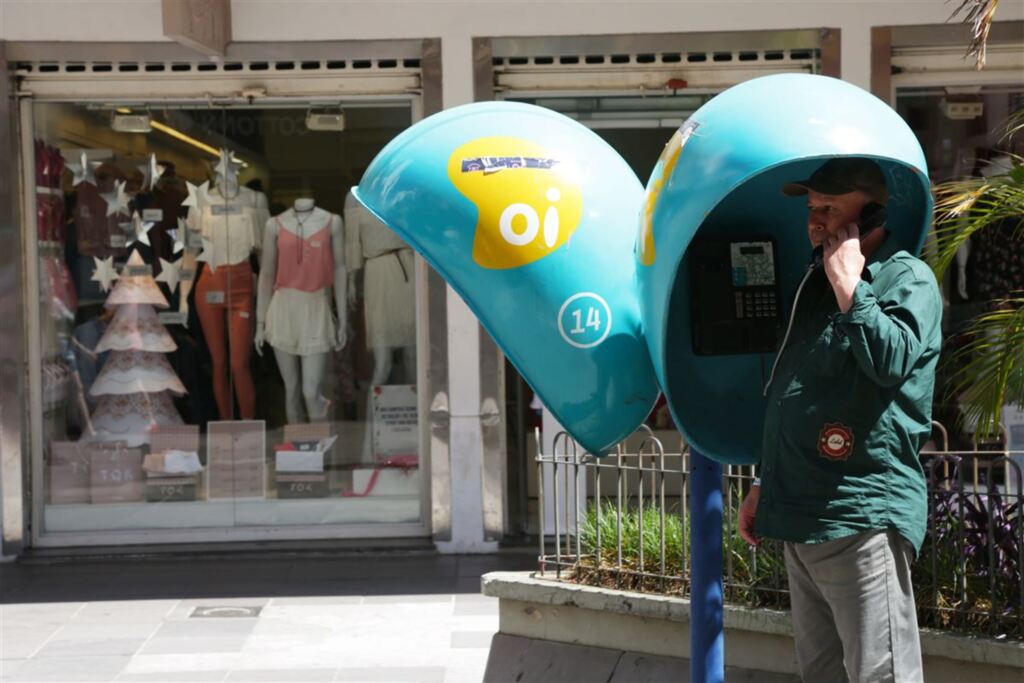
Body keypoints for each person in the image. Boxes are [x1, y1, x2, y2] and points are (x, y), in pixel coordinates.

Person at [738, 158, 942, 682]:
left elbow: (892, 360)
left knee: (882, 674)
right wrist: (764, 482)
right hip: (801, 512)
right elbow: (792, 385)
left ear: (871, 211)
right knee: (821, 673)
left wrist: (852, 285)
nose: (816, 219)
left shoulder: (906, 278)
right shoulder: (815, 279)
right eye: (812, 207)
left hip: (860, 514)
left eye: (830, 207)